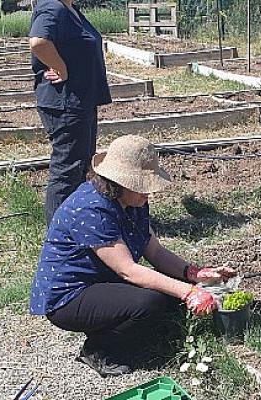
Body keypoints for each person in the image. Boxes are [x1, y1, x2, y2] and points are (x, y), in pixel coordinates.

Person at [29, 135, 236, 377]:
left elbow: (155, 251)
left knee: (170, 296)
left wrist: (194, 274)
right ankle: (98, 348)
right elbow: (129, 270)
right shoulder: (91, 209)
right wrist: (189, 292)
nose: (147, 193)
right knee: (149, 303)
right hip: (70, 295)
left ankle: (134, 336)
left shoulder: (132, 201)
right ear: (118, 182)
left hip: (101, 280)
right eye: (141, 185)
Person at [29, 0, 112, 225]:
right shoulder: (52, 7)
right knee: (67, 170)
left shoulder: (70, 9)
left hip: (80, 99)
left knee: (81, 165)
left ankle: (76, 222)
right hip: (66, 102)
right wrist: (61, 67)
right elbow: (38, 42)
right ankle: (58, 233)